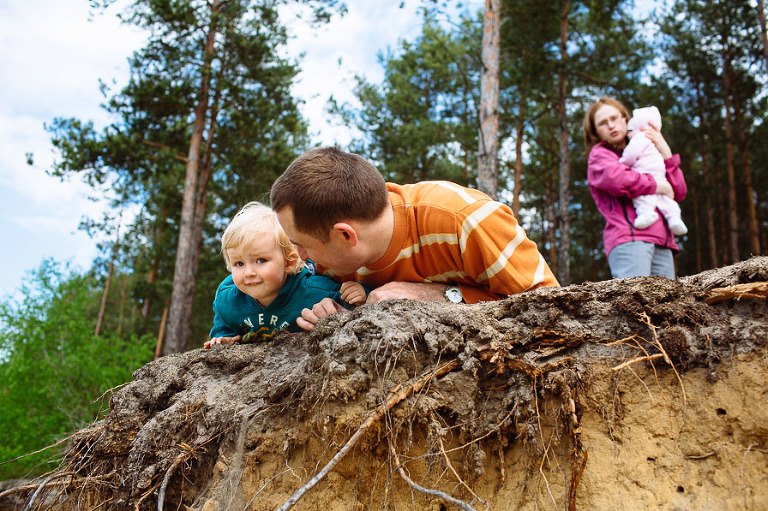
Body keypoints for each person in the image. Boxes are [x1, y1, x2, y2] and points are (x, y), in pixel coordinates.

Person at [269, 146, 559, 331]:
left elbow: (553, 308)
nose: (301, 256)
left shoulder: (467, 221)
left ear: (346, 234)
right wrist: (330, 313)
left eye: (303, 244)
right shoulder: (332, 259)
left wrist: (440, 297)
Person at [205, 201, 367, 348]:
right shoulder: (229, 298)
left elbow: (350, 303)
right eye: (239, 264)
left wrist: (361, 294)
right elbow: (224, 320)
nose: (248, 272)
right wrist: (223, 337)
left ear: (289, 262)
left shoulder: (314, 290)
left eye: (261, 260)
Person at [583, 97, 687, 279]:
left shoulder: (648, 150)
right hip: (629, 239)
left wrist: (665, 151)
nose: (611, 126)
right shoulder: (599, 155)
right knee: (633, 304)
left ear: (625, 119)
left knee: (667, 305)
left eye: (614, 118)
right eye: (603, 123)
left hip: (664, 241)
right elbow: (619, 180)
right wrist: (658, 186)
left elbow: (678, 191)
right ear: (595, 132)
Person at [620, 106, 688, 235]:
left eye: (630, 130)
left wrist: (623, 163)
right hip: (659, 175)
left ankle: (645, 212)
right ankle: (674, 218)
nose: (627, 135)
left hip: (645, 173)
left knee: (644, 198)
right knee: (665, 200)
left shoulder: (639, 138)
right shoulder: (652, 144)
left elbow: (679, 192)